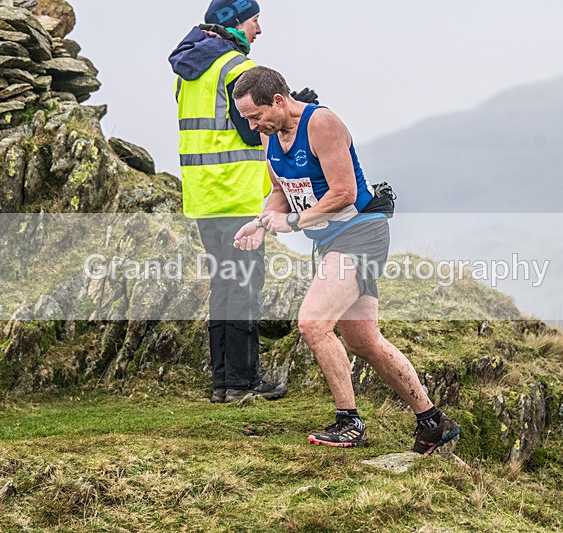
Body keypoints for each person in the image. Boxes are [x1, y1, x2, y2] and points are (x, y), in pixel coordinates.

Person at [231, 66, 461, 455]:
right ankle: (432, 422)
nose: (254, 127)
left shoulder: (322, 124)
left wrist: (292, 223)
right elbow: (280, 193)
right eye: (248, 120)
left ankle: (349, 422)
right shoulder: (272, 139)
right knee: (364, 341)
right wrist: (260, 223)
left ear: (279, 101)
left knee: (313, 323)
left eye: (256, 117)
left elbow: (343, 193)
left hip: (361, 234)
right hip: (331, 242)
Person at [169, 0, 316, 403]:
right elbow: (252, 131)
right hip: (236, 195)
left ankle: (223, 382)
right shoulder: (236, 68)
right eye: (255, 21)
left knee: (224, 286)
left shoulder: (189, 70)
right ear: (235, 23)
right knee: (245, 288)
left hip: (203, 196)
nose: (259, 30)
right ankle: (241, 383)